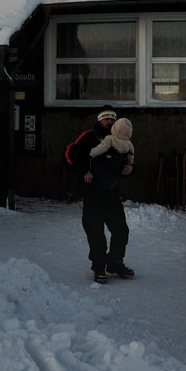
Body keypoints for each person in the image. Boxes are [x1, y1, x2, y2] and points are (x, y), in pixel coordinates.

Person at [64, 109, 134, 283]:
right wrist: (84, 171)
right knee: (95, 232)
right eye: (106, 118)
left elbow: (129, 160)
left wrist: (131, 168)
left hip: (111, 193)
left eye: (112, 118)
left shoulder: (122, 140)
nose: (109, 121)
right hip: (92, 193)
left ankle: (115, 262)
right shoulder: (89, 137)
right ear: (99, 120)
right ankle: (99, 266)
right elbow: (71, 153)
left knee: (121, 230)